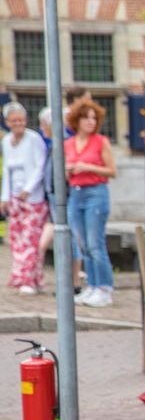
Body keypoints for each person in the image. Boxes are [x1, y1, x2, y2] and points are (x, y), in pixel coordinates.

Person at [64, 98, 115, 307]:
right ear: (77, 120)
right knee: (83, 244)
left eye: (94, 118)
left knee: (96, 243)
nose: (90, 122)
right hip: (76, 194)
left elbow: (112, 171)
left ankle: (105, 288)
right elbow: (67, 174)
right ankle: (92, 286)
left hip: (96, 193)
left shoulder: (101, 141)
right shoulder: (68, 143)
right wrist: (70, 169)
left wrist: (88, 167)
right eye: (86, 118)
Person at [1, 102, 50, 294]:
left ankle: (28, 279)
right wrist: (4, 197)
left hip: (33, 199)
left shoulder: (34, 139)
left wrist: (28, 189)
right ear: (7, 122)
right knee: (16, 239)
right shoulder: (6, 141)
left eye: (21, 120)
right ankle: (26, 276)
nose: (18, 123)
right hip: (15, 198)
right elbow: (7, 170)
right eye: (14, 120)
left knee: (31, 240)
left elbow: (40, 166)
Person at [36, 107, 55, 268]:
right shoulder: (45, 142)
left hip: (58, 194)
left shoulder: (58, 142)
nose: (41, 129)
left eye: (43, 125)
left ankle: (38, 254)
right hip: (49, 193)